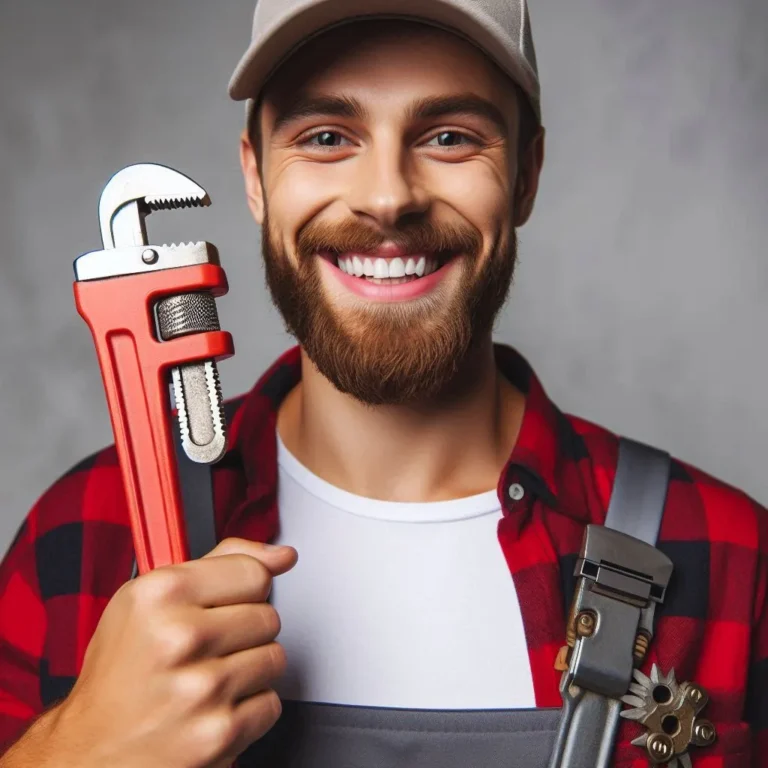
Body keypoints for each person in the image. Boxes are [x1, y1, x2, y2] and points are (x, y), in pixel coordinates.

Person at [0, 1, 765, 766]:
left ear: (527, 175)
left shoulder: (732, 560)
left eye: (449, 137)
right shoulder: (83, 536)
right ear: (256, 176)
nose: (388, 196)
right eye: (327, 137)